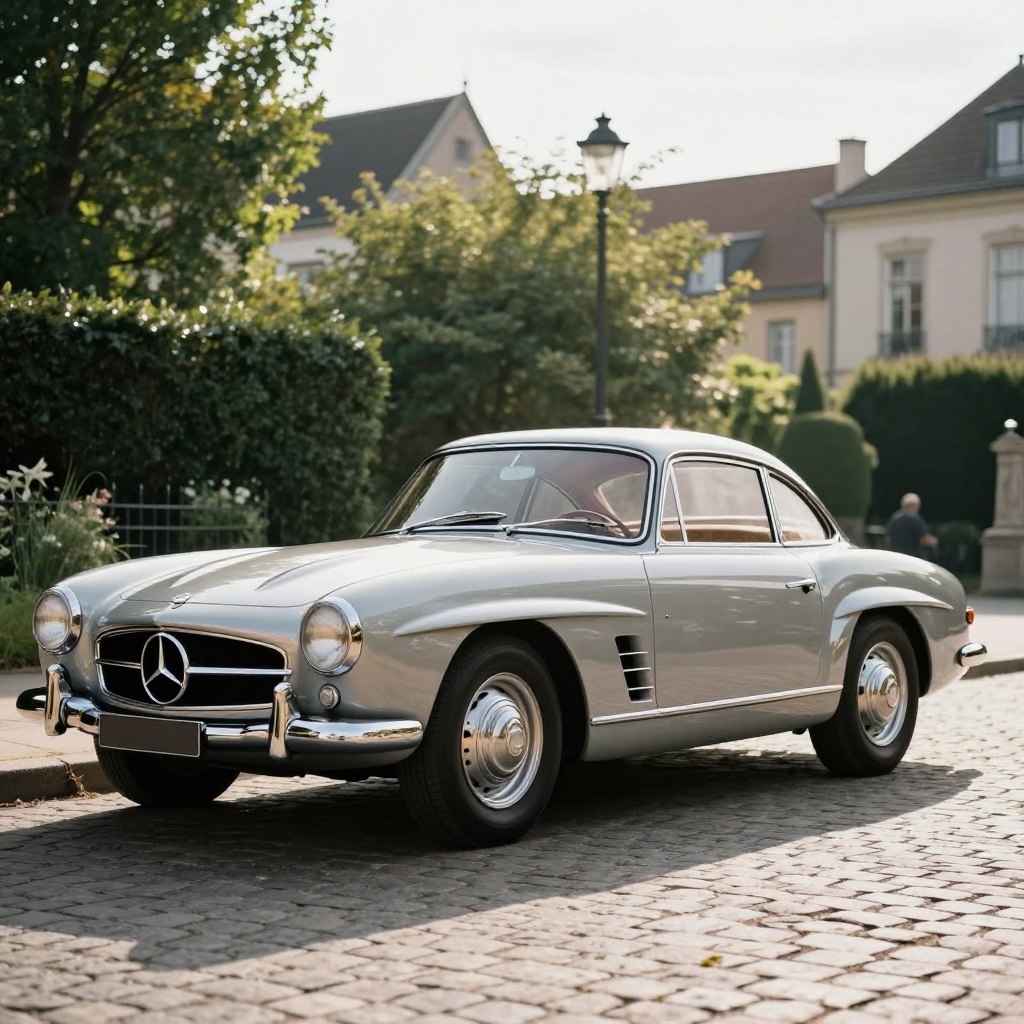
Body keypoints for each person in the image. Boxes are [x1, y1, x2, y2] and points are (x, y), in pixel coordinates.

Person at [885, 492, 938, 558]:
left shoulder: (894, 518)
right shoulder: (916, 519)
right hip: (912, 558)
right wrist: (935, 541)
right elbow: (925, 540)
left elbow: (888, 539)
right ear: (915, 505)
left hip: (896, 556)